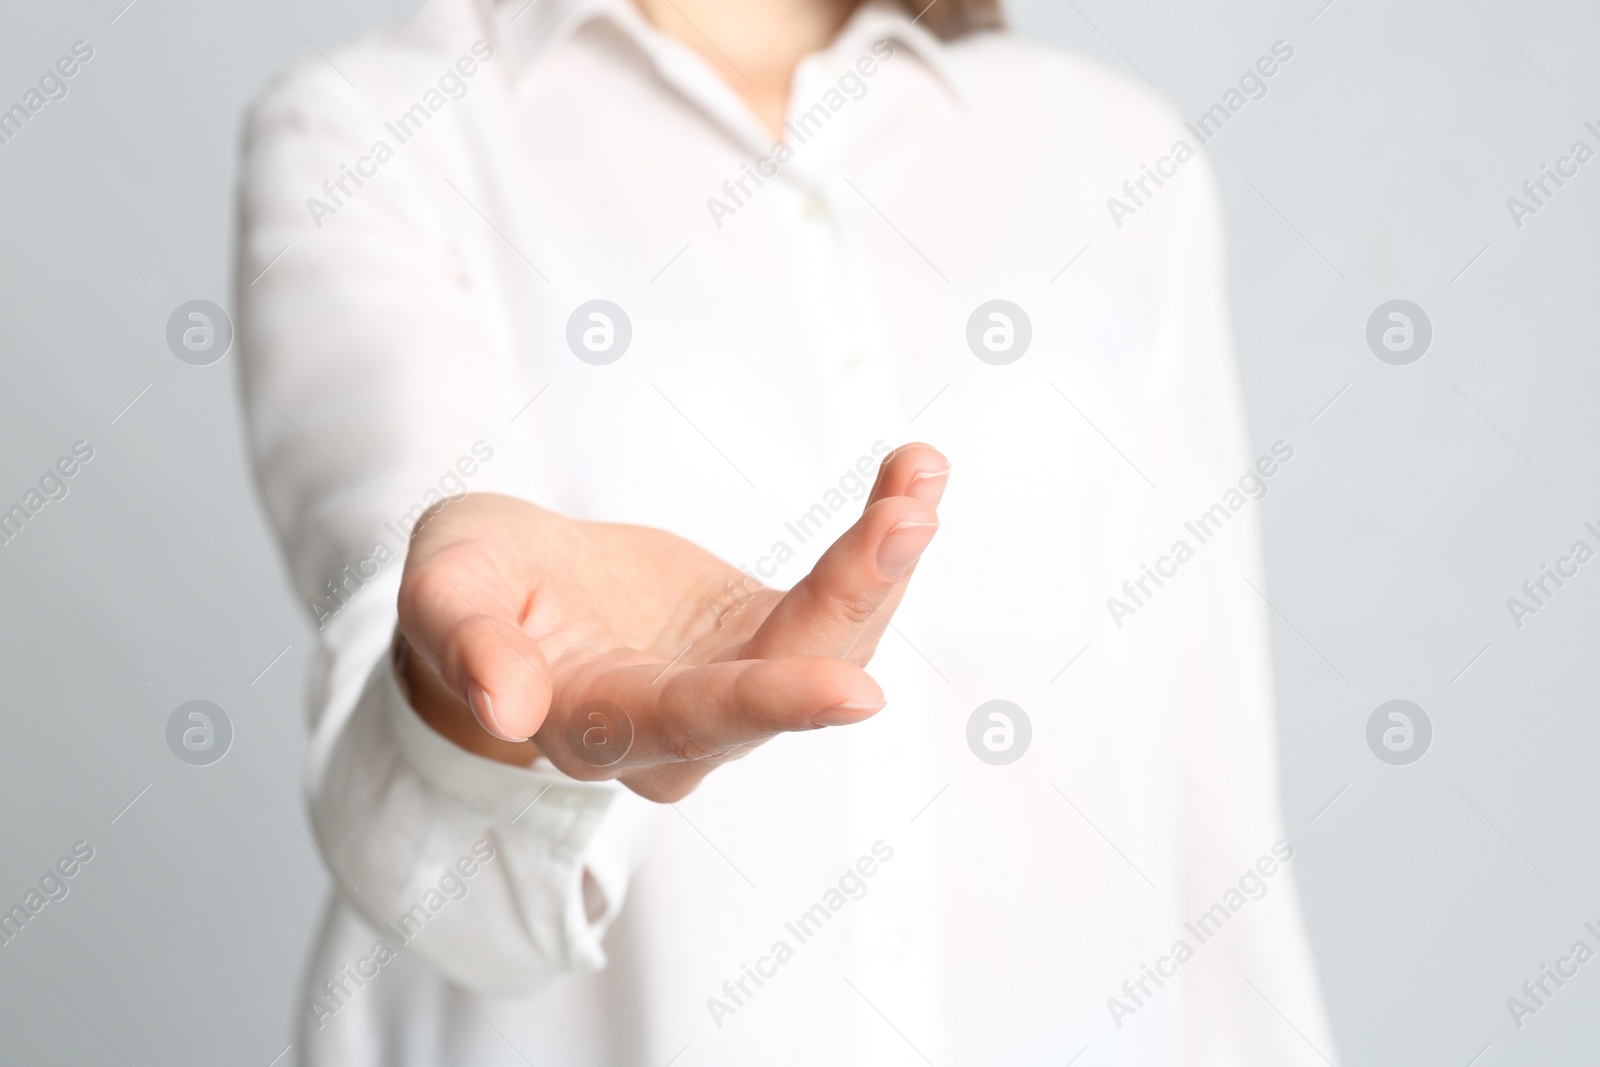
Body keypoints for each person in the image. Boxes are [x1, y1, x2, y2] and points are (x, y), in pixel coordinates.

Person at [236, 0, 1336, 1063]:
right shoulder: (374, 130)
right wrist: (479, 708)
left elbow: (1211, 780)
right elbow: (441, 884)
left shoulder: (1113, 148)